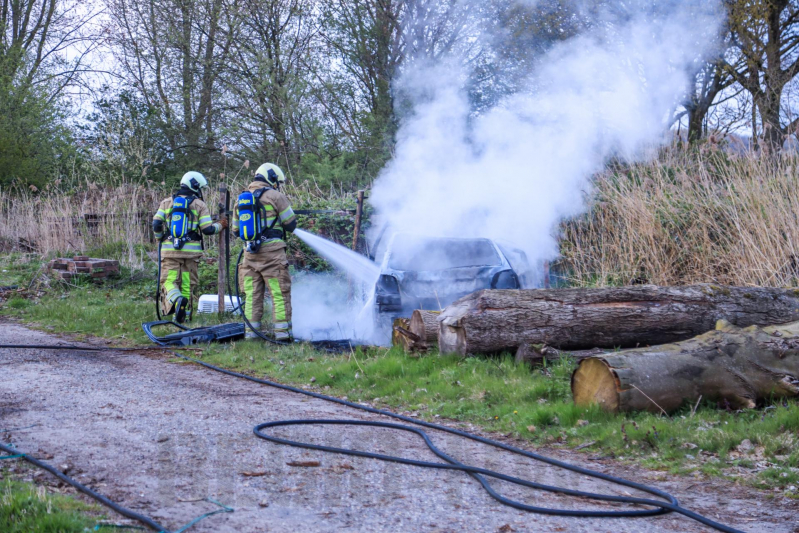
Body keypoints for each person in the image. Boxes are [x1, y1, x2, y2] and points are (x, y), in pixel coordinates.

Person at [232, 163, 297, 340]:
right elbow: (291, 224)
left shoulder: (241, 199)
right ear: (272, 178)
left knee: (252, 295)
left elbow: (236, 231)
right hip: (273, 255)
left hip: (249, 255)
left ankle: (251, 335)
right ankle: (283, 334)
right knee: (279, 293)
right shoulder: (276, 196)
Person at [152, 171, 227, 323]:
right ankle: (183, 318)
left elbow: (156, 223)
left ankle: (176, 299)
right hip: (191, 254)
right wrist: (221, 225)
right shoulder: (199, 205)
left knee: (169, 281)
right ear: (195, 186)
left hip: (170, 252)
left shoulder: (167, 203)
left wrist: (160, 239)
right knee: (187, 284)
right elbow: (208, 230)